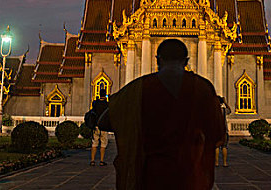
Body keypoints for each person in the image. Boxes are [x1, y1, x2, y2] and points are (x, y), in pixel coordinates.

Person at [98, 39, 225, 189]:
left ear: (158, 60)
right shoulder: (203, 89)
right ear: (186, 61)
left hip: (151, 176)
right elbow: (218, 135)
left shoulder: (138, 89)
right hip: (190, 177)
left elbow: (103, 121)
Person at [90, 88, 109, 166]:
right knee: (103, 144)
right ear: (105, 95)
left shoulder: (95, 103)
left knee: (94, 144)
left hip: (95, 126)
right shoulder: (107, 104)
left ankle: (92, 160)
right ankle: (101, 161)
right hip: (103, 126)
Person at [215, 96, 231, 167]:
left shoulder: (213, 110)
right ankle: (224, 163)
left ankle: (217, 162)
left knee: (216, 147)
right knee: (224, 147)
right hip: (224, 131)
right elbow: (229, 110)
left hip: (216, 131)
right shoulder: (224, 110)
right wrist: (225, 102)